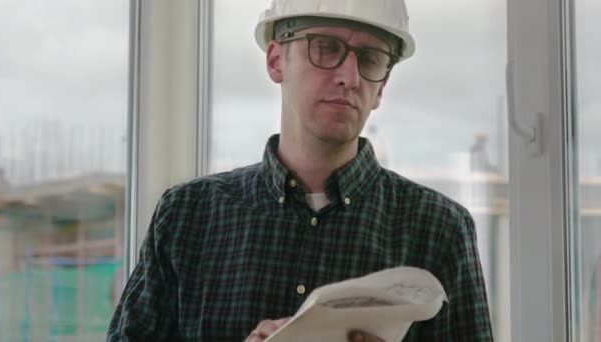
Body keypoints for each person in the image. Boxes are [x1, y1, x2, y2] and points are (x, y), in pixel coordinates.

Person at [107, 0, 493, 340]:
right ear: (276, 61)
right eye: (326, 48)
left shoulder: (439, 230)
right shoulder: (187, 217)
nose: (350, 77)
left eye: (371, 58)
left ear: (382, 86)